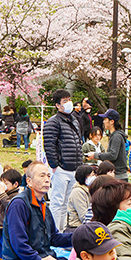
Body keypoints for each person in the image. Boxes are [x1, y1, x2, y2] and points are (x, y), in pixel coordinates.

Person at [2, 161, 72, 260]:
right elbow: (18, 243)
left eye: (49, 176)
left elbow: (54, 237)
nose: (47, 179)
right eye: (42, 175)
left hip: (42, 257)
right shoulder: (19, 204)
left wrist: (79, 236)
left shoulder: (43, 205)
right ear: (28, 181)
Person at [44, 89, 85, 231]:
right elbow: (49, 145)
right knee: (57, 202)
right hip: (61, 168)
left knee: (67, 203)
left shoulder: (74, 120)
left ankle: (62, 230)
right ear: (57, 105)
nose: (69, 103)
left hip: (74, 167)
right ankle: (55, 231)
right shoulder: (53, 122)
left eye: (69, 99)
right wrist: (55, 165)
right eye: (64, 101)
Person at [0, 169, 22, 258]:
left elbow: (10, 206)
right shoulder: (4, 195)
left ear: (15, 184)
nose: (3, 186)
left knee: (6, 252)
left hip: (3, 228)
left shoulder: (16, 197)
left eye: (6, 183)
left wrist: (2, 194)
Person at [89, 109, 129, 181]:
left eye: (105, 119)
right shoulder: (114, 135)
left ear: (112, 121)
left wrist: (96, 155)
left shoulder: (116, 136)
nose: (103, 121)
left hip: (118, 176)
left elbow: (113, 155)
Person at [66, 165, 96, 230]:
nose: (94, 177)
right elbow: (83, 216)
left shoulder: (89, 190)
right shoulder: (78, 192)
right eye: (92, 175)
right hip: (76, 228)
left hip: (85, 226)